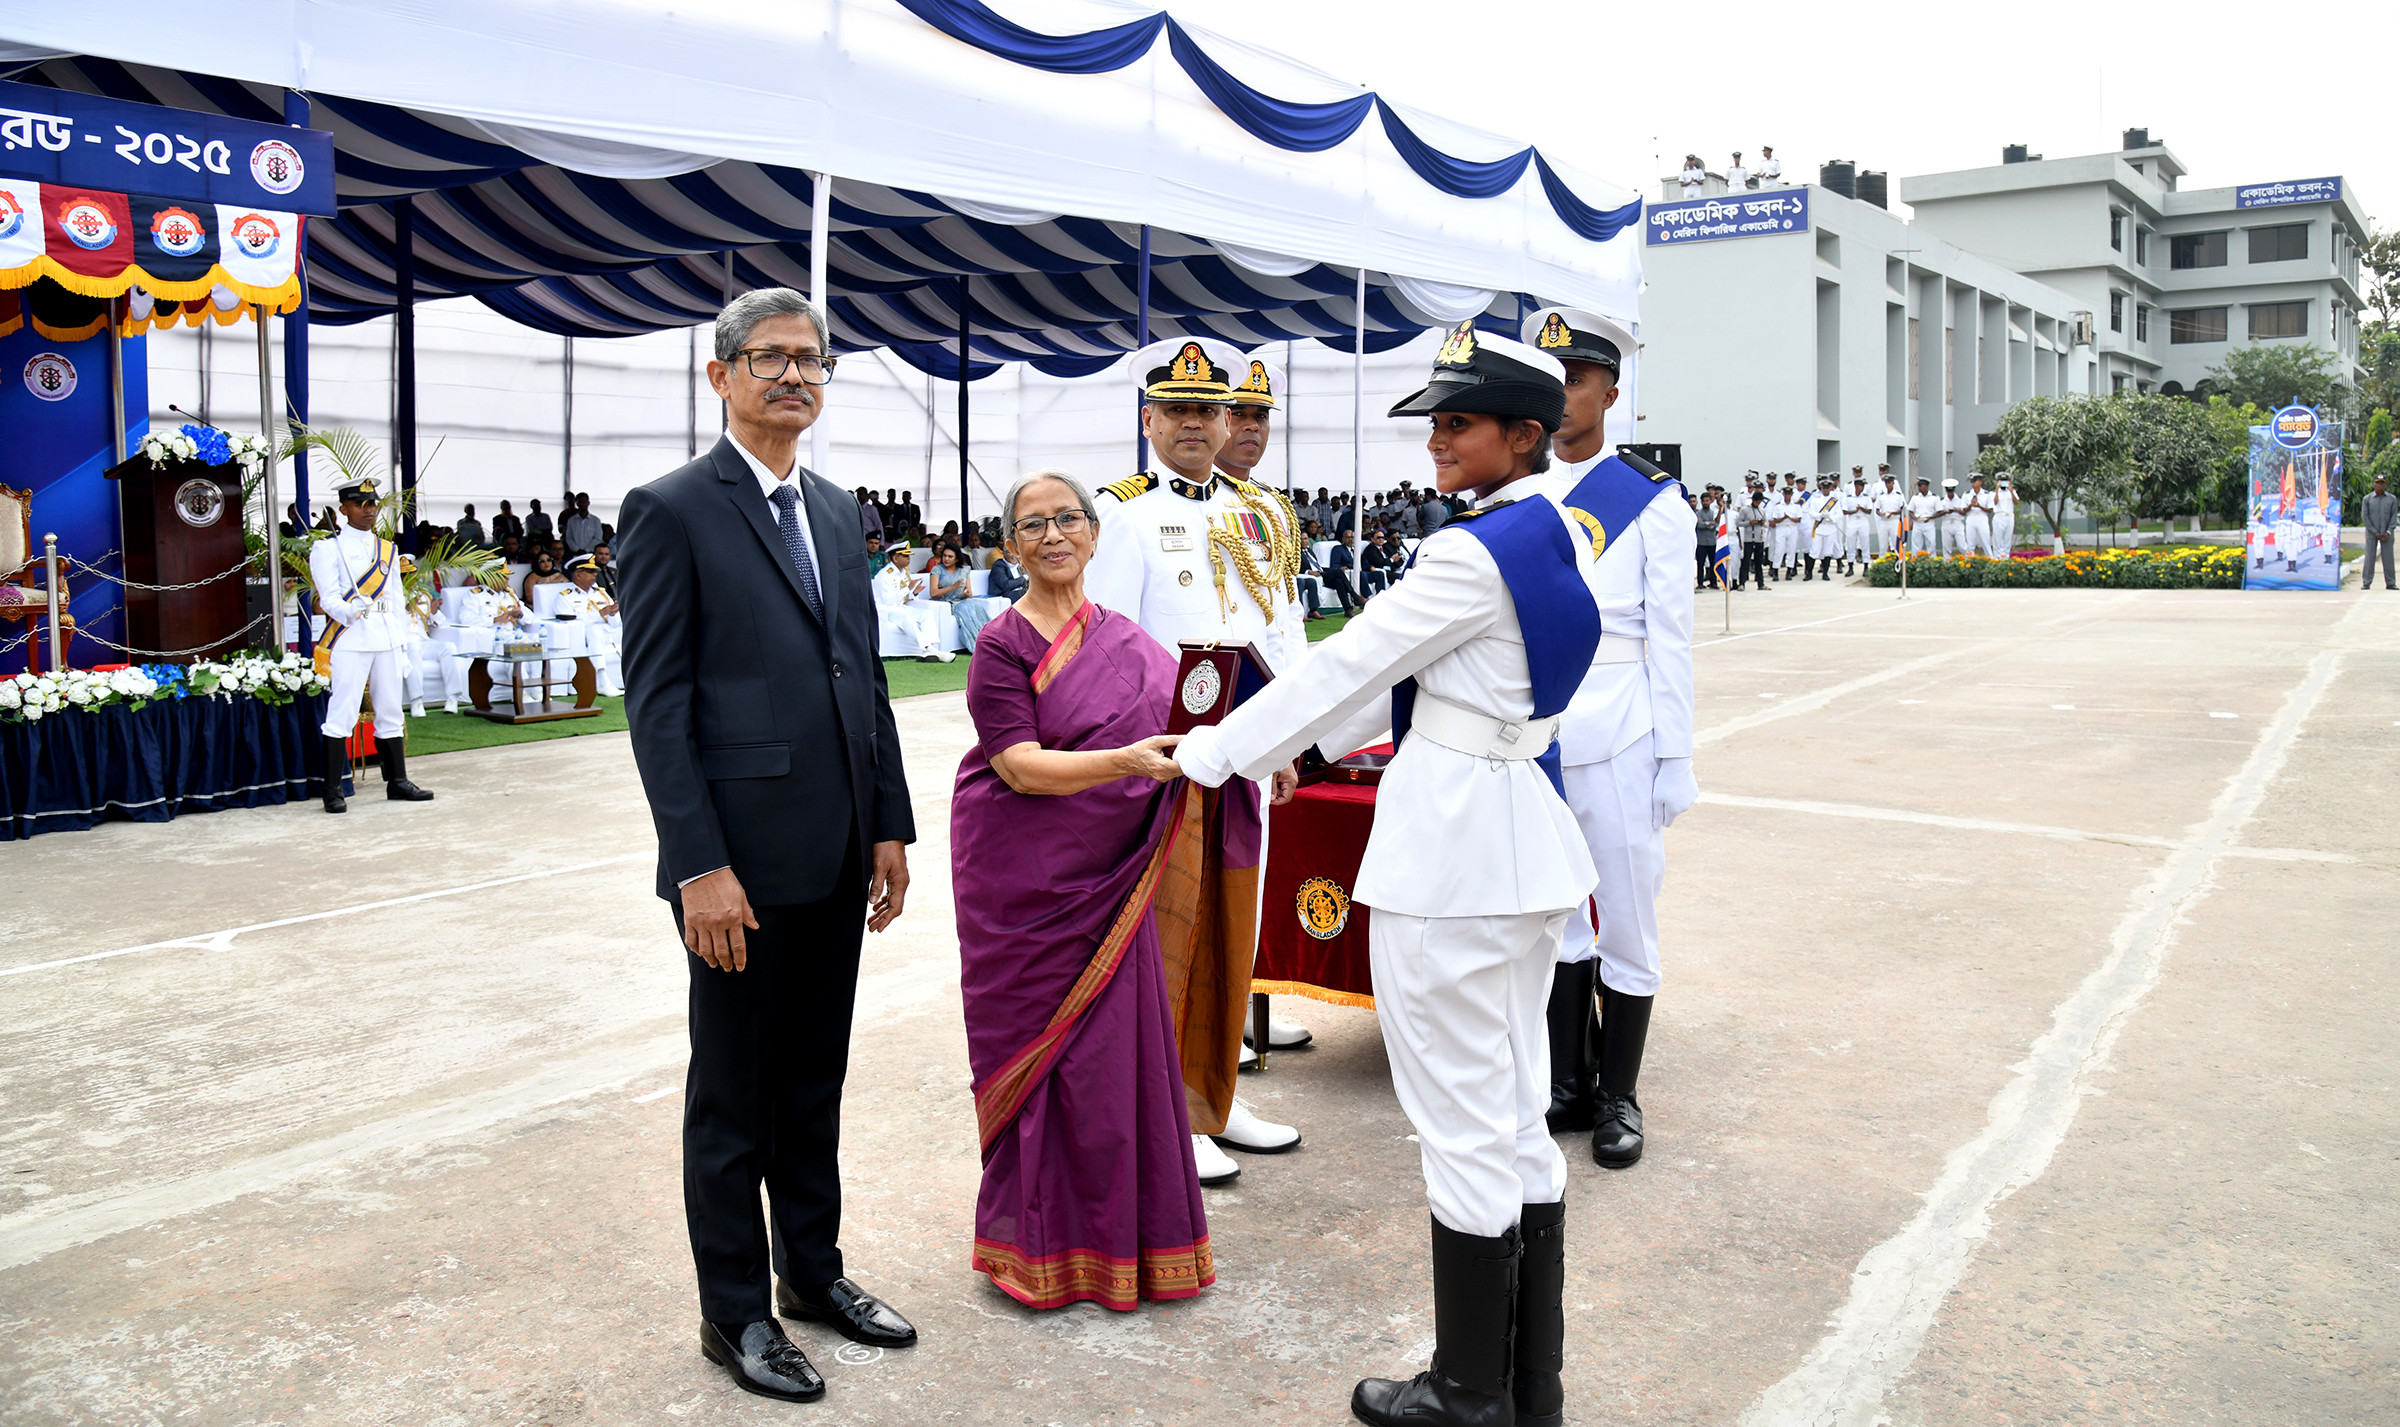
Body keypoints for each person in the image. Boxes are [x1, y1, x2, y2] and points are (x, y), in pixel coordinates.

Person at [1175, 323, 1601, 1427]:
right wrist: (1297, 747)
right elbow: (1403, 681)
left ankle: (1467, 1390)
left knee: (1463, 1123)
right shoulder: (1553, 533)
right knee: (1511, 1118)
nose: (1437, 443)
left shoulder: (1469, 553)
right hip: (1519, 844)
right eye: (1436, 423)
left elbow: (1351, 663)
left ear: (1524, 433)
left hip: (1452, 859)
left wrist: (1212, 752)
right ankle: (1524, 1385)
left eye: (1458, 424)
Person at [618, 286, 919, 1407]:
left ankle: (814, 1273)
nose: (795, 375)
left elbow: (866, 673)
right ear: (722, 375)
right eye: (771, 357)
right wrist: (698, 864)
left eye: (812, 360)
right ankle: (734, 1308)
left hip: (837, 849)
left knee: (813, 1079)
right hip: (733, 868)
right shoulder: (671, 508)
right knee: (734, 1092)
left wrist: (886, 819)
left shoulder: (839, 510)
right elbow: (656, 702)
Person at [952, 468, 1231, 1312]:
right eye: (1032, 525)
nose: (1053, 535)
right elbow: (1016, 765)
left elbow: (1190, 729)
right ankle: (1033, 1246)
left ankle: (1130, 1242)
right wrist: (1122, 762)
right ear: (1011, 548)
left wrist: (1255, 751)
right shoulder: (1001, 645)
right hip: (1027, 883)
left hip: (1110, 883)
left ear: (1094, 533)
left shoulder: (1130, 640)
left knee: (1111, 1063)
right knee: (1045, 1066)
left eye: (1068, 518)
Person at [1082, 335, 1308, 1181]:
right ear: (1148, 420)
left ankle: (1217, 1093)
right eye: (1176, 410)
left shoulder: (1255, 513)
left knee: (1234, 925)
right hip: (1168, 759)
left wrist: (1287, 738)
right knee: (1170, 933)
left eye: (1207, 411)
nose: (1193, 424)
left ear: (1226, 422)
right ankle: (1172, 1111)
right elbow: (1103, 643)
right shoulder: (1121, 514)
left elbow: (1275, 631)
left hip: (1245, 754)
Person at [1519, 306, 1696, 1178]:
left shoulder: (1650, 498)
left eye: (1577, 379)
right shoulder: (1516, 493)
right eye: (1550, 381)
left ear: (1610, 393)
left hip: (1623, 727)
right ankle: (1571, 1078)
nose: (1562, 395)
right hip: (1537, 728)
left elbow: (1673, 636)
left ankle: (1621, 1092)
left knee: (1625, 913)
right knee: (1556, 914)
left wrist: (1677, 755)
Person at [307, 477, 435, 813]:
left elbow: (394, 599)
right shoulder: (328, 548)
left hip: (386, 637)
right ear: (343, 509)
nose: (368, 511)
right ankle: (332, 789)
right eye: (360, 505)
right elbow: (328, 597)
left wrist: (403, 645)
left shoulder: (387, 549)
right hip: (351, 636)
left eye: (372, 504)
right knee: (343, 712)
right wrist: (347, 610)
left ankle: (397, 782)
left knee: (391, 710)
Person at [554, 553, 624, 696]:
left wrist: (612, 613)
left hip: (608, 631)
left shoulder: (601, 593)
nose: (594, 574)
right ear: (578, 575)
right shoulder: (566, 596)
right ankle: (603, 680)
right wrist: (600, 613)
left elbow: (616, 623)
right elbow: (574, 624)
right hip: (584, 636)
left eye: (595, 571)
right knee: (595, 631)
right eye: (590, 571)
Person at [875, 545, 954, 663]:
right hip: (886, 611)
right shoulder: (884, 575)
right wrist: (908, 588)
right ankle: (933, 651)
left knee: (926, 614)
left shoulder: (903, 573)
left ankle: (927, 652)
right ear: (896, 558)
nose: (909, 559)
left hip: (899, 607)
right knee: (907, 619)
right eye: (905, 556)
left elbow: (904, 597)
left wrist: (914, 592)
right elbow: (888, 600)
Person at [1735, 491, 1770, 590]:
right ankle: (1742, 583)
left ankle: (1760, 583)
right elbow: (1738, 522)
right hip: (1748, 539)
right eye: (1756, 501)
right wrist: (1749, 523)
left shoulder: (1761, 510)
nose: (1758, 503)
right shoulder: (1745, 510)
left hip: (1759, 539)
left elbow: (1766, 523)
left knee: (1758, 562)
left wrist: (1762, 523)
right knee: (1746, 561)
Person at [1841, 472, 1872, 574]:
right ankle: (1850, 567)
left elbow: (1869, 511)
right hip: (1852, 520)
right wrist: (1855, 511)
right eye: (1859, 486)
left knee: (1865, 543)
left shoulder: (1866, 497)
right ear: (1855, 486)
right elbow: (1844, 511)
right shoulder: (1849, 497)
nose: (1861, 488)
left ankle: (1866, 566)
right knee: (1851, 543)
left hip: (1863, 520)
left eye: (1862, 486)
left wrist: (1861, 508)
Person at [1874, 467, 1906, 557]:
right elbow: (1877, 509)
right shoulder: (1881, 495)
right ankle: (1882, 562)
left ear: (1893, 483)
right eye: (1886, 483)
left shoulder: (1898, 495)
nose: (1888, 485)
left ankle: (1897, 562)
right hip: (1884, 521)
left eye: (1889, 482)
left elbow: (1901, 509)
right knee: (1883, 544)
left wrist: (1892, 513)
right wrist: (1881, 514)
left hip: (1894, 521)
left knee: (1896, 542)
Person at [1963, 475, 1995, 557]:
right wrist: (1971, 505)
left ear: (1980, 482)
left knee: (1986, 542)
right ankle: (1969, 562)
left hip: (1982, 517)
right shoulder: (1967, 494)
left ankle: (1990, 559)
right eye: (1972, 482)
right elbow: (1964, 510)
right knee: (1970, 543)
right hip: (1971, 517)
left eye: (1975, 481)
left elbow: (1990, 510)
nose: (1973, 484)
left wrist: (1979, 506)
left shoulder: (1986, 494)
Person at [1907, 478, 1940, 555]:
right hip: (1918, 523)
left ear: (1926, 486)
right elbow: (1910, 511)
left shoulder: (1934, 497)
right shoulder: (1915, 497)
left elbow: (1939, 511)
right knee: (1916, 544)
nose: (1919, 488)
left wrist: (1931, 517)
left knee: (1931, 543)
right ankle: (1915, 560)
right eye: (1918, 486)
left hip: (1929, 523)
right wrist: (1914, 517)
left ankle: (1931, 561)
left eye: (1920, 486)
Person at [1937, 477, 1967, 557]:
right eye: (1948, 491)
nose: (1950, 493)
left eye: (1951, 491)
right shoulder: (1942, 500)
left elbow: (1964, 512)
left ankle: (1969, 561)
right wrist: (1945, 512)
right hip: (1946, 523)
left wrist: (1957, 510)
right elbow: (1938, 513)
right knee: (1946, 547)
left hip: (1958, 522)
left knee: (1962, 545)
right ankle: (1947, 564)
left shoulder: (1960, 499)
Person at [1992, 474, 2019, 557]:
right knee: (1997, 539)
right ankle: (1997, 557)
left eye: (2005, 481)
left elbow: (2016, 502)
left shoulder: (2012, 492)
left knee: (2007, 539)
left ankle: (2005, 557)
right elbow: (1995, 502)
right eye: (2001, 481)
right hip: (1999, 515)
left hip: (2009, 516)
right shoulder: (1994, 492)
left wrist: (2011, 490)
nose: (2003, 483)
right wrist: (1997, 489)